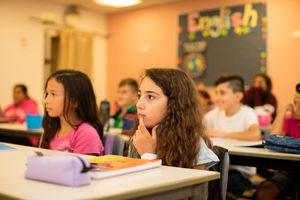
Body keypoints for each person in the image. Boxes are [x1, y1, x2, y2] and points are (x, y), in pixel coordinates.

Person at [129, 68, 219, 172]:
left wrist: (149, 156)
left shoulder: (193, 145)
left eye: (150, 97)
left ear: (174, 104)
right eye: (139, 96)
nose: (139, 104)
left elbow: (190, 188)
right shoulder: (141, 137)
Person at [205, 74, 261, 198]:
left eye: (222, 93)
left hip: (239, 172)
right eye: (216, 92)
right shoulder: (213, 114)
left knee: (219, 187)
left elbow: (255, 134)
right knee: (204, 183)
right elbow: (199, 131)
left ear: (238, 96)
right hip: (217, 168)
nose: (217, 97)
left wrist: (220, 133)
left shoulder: (248, 113)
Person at [40, 70, 104, 156]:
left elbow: (82, 169)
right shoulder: (50, 129)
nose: (46, 100)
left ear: (75, 101)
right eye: (47, 94)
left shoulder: (86, 134)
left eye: (53, 94)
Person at [255, 83, 300, 200]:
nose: (297, 108)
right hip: (288, 171)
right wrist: (283, 110)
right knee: (265, 191)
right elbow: (272, 139)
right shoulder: (290, 119)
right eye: (295, 102)